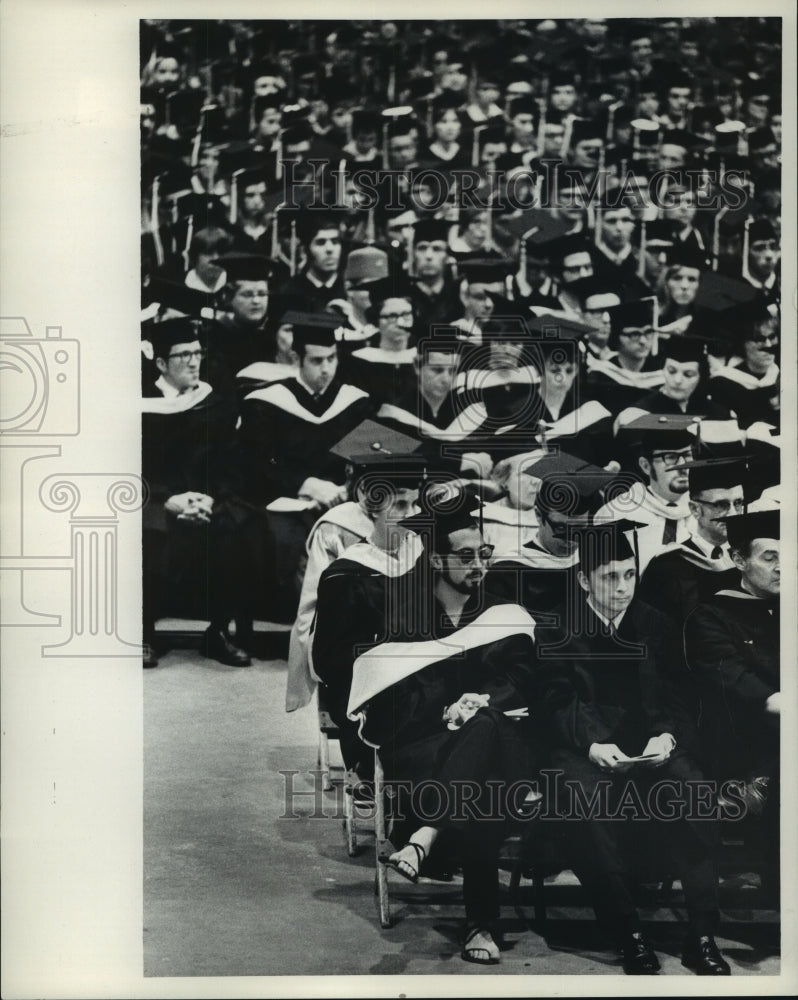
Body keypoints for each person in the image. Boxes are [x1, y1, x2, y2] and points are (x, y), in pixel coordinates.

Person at [346, 492, 539, 965]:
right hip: (424, 746)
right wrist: (449, 710)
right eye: (467, 556)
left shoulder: (502, 611)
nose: (479, 565)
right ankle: (481, 926)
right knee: (485, 787)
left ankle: (424, 836)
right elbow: (389, 701)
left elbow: (523, 679)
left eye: (484, 554)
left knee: (487, 726)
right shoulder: (403, 616)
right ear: (436, 559)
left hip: (491, 740)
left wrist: (480, 702)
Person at [536, 518, 730, 976]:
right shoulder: (558, 628)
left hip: (653, 747)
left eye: (628, 574)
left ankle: (701, 934)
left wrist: (667, 737)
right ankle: (628, 932)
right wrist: (593, 746)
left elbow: (679, 697)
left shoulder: (655, 624)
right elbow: (555, 700)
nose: (622, 587)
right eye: (609, 577)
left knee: (693, 793)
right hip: (586, 749)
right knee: (584, 804)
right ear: (583, 578)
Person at [238, 318, 372, 620]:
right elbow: (252, 465)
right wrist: (303, 483)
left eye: (331, 359)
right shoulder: (266, 402)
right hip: (286, 501)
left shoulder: (354, 402)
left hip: (342, 500)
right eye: (316, 361)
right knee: (282, 541)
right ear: (296, 359)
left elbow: (371, 456)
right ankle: (303, 621)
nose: (326, 369)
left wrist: (348, 489)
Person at [142, 318, 252, 668]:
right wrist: (167, 500)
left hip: (202, 500)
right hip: (153, 499)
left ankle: (217, 632)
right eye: (183, 355)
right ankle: (143, 632)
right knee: (151, 530)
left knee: (234, 525)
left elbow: (229, 463)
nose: (193, 361)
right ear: (161, 363)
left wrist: (210, 498)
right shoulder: (141, 404)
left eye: (197, 353)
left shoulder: (213, 402)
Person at [684, 508, 780, 898]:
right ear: (739, 559)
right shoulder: (710, 616)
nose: (782, 568)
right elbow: (735, 680)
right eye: (770, 557)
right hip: (739, 749)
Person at [311, 454, 428, 773]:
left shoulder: (424, 557)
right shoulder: (345, 573)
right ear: (373, 508)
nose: (411, 515)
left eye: (415, 505)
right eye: (400, 506)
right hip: (365, 690)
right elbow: (329, 660)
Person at [638, 457, 744, 627]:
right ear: (695, 509)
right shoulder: (668, 567)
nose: (733, 513)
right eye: (720, 505)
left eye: (738, 503)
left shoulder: (752, 559)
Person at [596, 414, 697, 573]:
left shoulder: (706, 509)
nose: (683, 465)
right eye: (671, 457)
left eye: (687, 455)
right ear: (645, 466)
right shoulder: (616, 513)